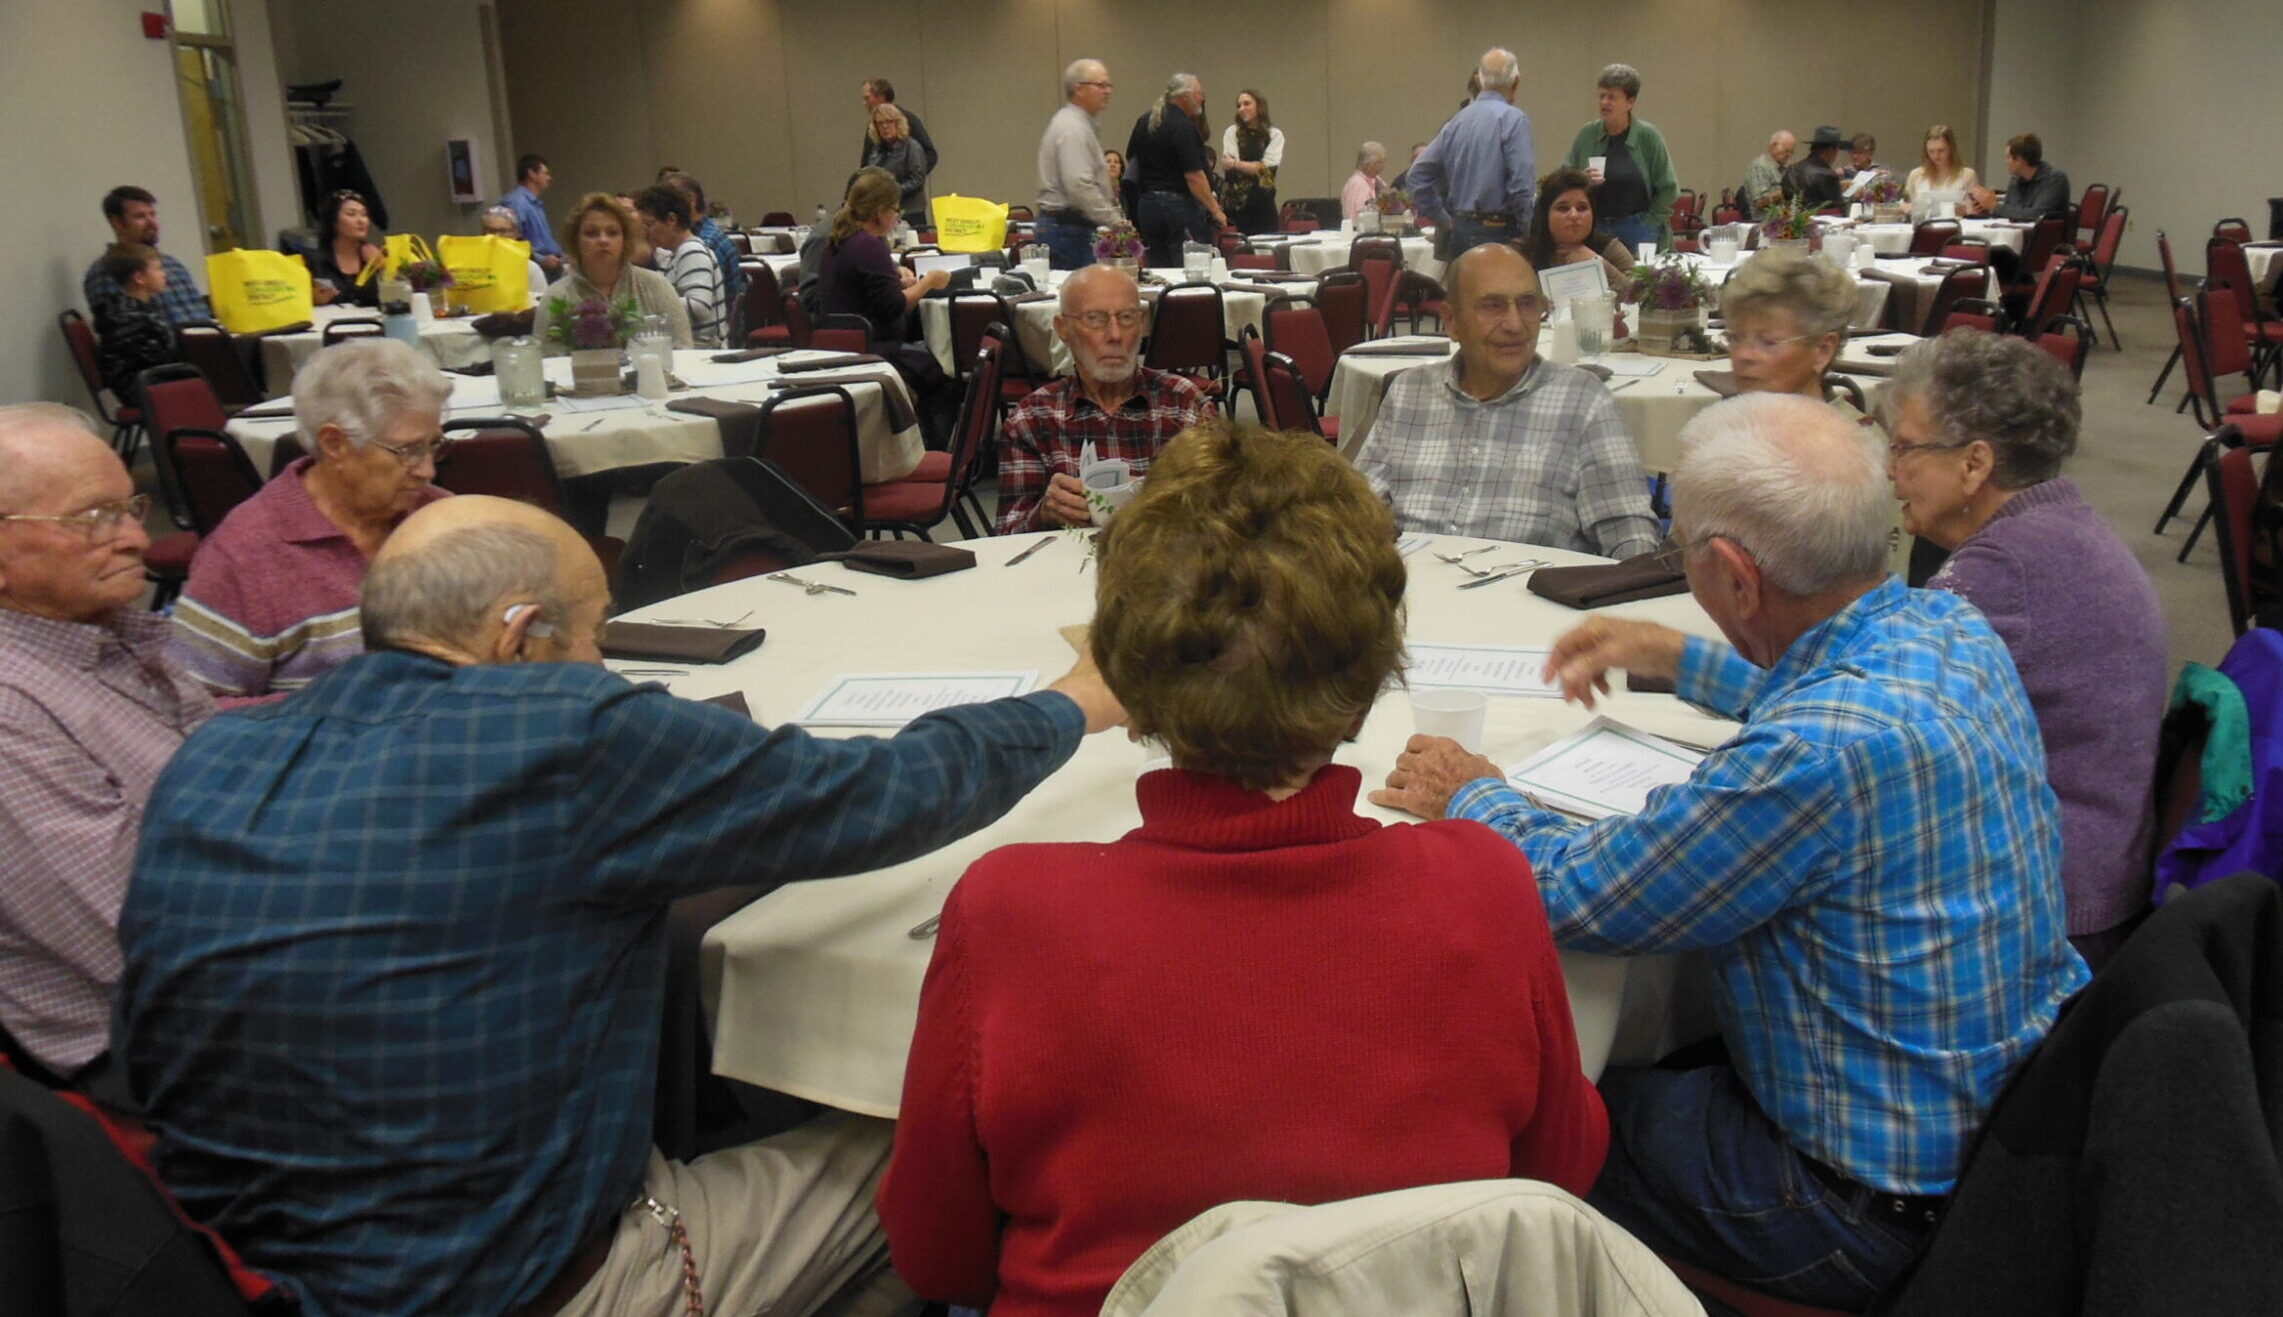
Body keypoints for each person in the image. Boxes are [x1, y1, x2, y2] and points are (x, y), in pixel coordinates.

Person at [115, 493, 1126, 1317]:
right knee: (940, 1150)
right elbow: (884, 795)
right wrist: (1075, 699)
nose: (603, 663)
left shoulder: (212, 758)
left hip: (245, 1267)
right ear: (518, 636)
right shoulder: (566, 728)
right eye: (596, 636)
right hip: (523, 1286)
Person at [1372, 391, 2088, 1310]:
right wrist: (1685, 659)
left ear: (1736, 578)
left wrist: (1471, 793)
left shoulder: (1814, 754)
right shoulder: (1945, 628)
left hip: (1848, 1207)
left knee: (1509, 1114)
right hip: (1991, 1120)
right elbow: (1822, 695)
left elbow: (1583, 893)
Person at [881, 423, 1609, 1317]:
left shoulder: (1009, 907)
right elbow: (1555, 1179)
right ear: (1365, 683)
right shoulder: (1483, 881)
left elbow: (936, 1253)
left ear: (1128, 677)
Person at [1882, 330, 2166, 970]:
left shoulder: (2004, 569)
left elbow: (1859, 719)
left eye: (1904, 448)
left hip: (2048, 913)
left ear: (1974, 464)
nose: (1888, 469)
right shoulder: (2063, 529)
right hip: (2098, 874)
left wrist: (1691, 664)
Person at [0, 404, 214, 1089]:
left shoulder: (111, 635)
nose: (135, 539)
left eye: (131, 508)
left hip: (231, 966)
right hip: (150, 1046)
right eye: (93, 518)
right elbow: (141, 940)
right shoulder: (9, 710)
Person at [169, 338, 452, 703]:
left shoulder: (438, 516)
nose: (427, 471)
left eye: (434, 445)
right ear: (334, 444)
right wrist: (336, 707)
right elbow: (192, 709)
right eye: (409, 451)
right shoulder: (244, 557)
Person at [1353, 243, 1659, 559]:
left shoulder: (1583, 401)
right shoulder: (1409, 393)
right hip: (1410, 593)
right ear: (1451, 320)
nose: (1515, 325)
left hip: (1532, 599)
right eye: (1492, 306)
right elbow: (1356, 510)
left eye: (1528, 304)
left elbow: (1630, 535)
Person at [994, 265, 1216, 534]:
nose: (1115, 335)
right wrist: (1044, 513)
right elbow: (1007, 533)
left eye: (1126, 317)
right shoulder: (1033, 418)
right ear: (1063, 329)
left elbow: (1228, 515)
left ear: (1143, 324)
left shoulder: (1184, 405)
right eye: (1095, 319)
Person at [1408, 48, 1537, 257]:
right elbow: (1521, 186)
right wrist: (1526, 230)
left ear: (1478, 80)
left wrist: (1444, 219)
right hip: (1501, 232)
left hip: (1460, 232)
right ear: (1516, 82)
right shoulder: (1514, 119)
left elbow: (1416, 176)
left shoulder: (1456, 122)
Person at [531, 193, 692, 354]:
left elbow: (683, 349)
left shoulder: (656, 286)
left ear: (625, 240)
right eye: (591, 233)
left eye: (612, 233)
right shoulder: (556, 296)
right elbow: (545, 363)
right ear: (576, 241)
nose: (603, 240)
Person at [817, 170, 950, 348]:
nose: (897, 217)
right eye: (896, 211)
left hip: (845, 340)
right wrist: (928, 282)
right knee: (939, 363)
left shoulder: (841, 238)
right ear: (880, 212)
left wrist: (895, 283)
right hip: (875, 346)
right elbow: (896, 306)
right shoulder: (868, 245)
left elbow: (864, 293)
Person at [1719, 248, 1861, 413]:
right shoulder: (1717, 429)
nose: (1743, 355)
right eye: (1735, 338)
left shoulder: (1851, 436)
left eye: (1768, 342)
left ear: (1823, 350)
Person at [1560, 63, 1678, 249]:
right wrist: (1582, 179)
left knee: (1640, 277)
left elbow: (1669, 188)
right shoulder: (1587, 135)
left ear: (1630, 102)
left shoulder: (1648, 137)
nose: (1604, 102)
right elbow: (1563, 178)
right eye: (1602, 96)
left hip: (1637, 227)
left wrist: (1649, 222)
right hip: (1595, 226)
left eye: (1612, 97)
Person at [1128, 72, 1228, 269]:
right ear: (1184, 97)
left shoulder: (1145, 120)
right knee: (1190, 269)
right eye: (1199, 93)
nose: (1202, 98)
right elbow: (1194, 176)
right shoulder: (1183, 126)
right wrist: (1216, 211)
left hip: (1147, 206)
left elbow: (1132, 158)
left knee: (1159, 268)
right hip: (1177, 207)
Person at [1034, 58, 1125, 270]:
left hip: (1068, 228)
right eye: (1101, 85)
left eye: (1108, 85)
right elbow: (1078, 184)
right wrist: (1114, 221)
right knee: (1080, 299)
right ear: (1079, 89)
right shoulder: (1073, 129)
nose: (1107, 91)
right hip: (1068, 231)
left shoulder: (1075, 124)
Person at [82, 185, 214, 326]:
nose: (152, 223)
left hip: (209, 340)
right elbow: (123, 332)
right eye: (140, 216)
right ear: (118, 223)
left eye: (153, 214)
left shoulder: (172, 263)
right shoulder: (109, 270)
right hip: (168, 345)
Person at [634, 185, 724, 347]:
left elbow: (699, 307)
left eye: (649, 224)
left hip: (702, 348)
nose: (647, 232)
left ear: (671, 220)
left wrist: (650, 304)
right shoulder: (670, 254)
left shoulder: (691, 251)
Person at [89, 245, 179, 401]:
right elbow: (160, 357)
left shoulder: (138, 310)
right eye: (158, 269)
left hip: (144, 381)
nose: (165, 274)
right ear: (139, 278)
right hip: (141, 388)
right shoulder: (129, 318)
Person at [1523, 167, 1636, 285]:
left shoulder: (1610, 249)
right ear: (1546, 214)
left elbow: (1638, 296)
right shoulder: (1525, 253)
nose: (1574, 215)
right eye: (1563, 208)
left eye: (1582, 208)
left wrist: (1597, 263)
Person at [659, 171, 745, 321]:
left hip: (711, 336)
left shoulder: (704, 244)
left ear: (691, 200)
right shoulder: (701, 235)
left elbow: (700, 308)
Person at [306, 188, 386, 308]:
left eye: (364, 214)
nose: (361, 220)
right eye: (351, 214)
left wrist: (383, 267)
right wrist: (314, 300)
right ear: (334, 221)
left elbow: (395, 297)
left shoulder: (376, 254)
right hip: (331, 323)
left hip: (372, 322)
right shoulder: (315, 259)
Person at [1218, 89, 1283, 235]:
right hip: (1235, 205)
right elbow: (1227, 165)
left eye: (1247, 104)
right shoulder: (1232, 132)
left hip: (1263, 203)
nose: (1242, 108)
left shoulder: (1274, 134)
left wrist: (1237, 164)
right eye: (1239, 105)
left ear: (1259, 106)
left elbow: (1266, 171)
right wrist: (1252, 166)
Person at [1969, 131, 2071, 222]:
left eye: (2008, 157)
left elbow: (2036, 215)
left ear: (2020, 160)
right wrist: (1986, 209)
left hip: (2046, 239)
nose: (2006, 162)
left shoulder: (2055, 180)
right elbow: (2011, 212)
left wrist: (1995, 207)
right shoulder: (2016, 181)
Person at [865, 102, 932, 228]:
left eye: (889, 121)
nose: (885, 126)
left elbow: (917, 180)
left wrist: (891, 191)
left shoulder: (912, 147)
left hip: (910, 211)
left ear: (898, 123)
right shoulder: (876, 150)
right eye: (880, 123)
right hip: (883, 210)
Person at [500, 153, 564, 275]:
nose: (549, 178)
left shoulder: (534, 203)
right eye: (545, 173)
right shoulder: (517, 203)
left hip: (550, 268)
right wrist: (541, 259)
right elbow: (511, 241)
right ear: (532, 174)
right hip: (534, 270)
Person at [858, 77, 938, 174]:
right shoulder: (872, 126)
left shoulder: (908, 119)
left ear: (881, 97)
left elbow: (930, 155)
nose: (865, 103)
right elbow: (866, 163)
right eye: (880, 123)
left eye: (867, 98)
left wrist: (912, 178)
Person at [480, 204, 550, 303]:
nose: (496, 236)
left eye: (503, 231)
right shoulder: (472, 267)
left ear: (516, 234)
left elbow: (541, 305)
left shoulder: (530, 269)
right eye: (491, 231)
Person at [1904, 124, 1980, 206]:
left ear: (1951, 149)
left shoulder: (1967, 175)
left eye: (1941, 150)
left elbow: (1973, 210)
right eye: (1931, 151)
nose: (1936, 156)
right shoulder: (1915, 175)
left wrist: (1963, 211)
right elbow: (1907, 204)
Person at [1783, 125, 1846, 209]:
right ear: (1830, 150)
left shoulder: (1791, 170)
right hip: (1823, 221)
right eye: (1837, 149)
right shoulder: (1828, 175)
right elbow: (1839, 208)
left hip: (1795, 221)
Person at [1738, 131, 1795, 220]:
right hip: (1765, 224)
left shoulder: (1784, 168)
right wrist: (1786, 191)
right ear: (1773, 146)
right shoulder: (1760, 166)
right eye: (1786, 151)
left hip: (1784, 222)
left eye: (1792, 152)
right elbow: (1760, 202)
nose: (1789, 155)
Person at [1340, 141, 1388, 222]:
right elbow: (1354, 216)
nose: (1383, 166)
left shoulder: (1377, 182)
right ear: (1369, 165)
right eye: (1380, 162)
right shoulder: (1358, 184)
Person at [1103, 148, 1134, 220]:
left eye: (1116, 162)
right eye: (1108, 161)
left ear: (1121, 170)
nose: (1112, 164)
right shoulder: (1095, 191)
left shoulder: (1127, 192)